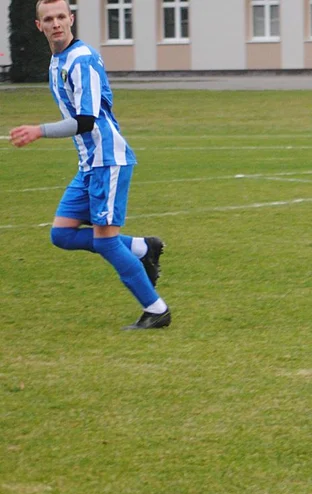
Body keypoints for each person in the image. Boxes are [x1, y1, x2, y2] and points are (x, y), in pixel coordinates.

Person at [8, 0, 170, 330]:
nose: (55, 23)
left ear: (71, 19)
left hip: (108, 159)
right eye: (48, 19)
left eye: (60, 17)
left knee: (106, 241)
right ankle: (142, 247)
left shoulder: (81, 59)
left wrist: (39, 130)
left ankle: (156, 310)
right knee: (62, 235)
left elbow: (85, 120)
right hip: (88, 163)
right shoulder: (57, 61)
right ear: (40, 26)